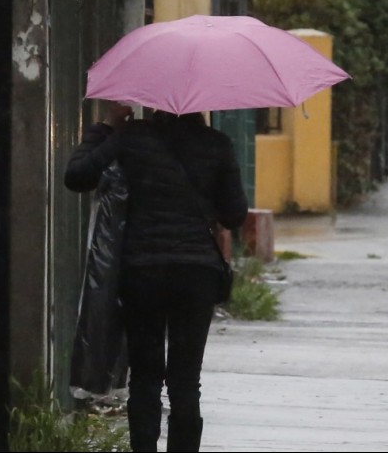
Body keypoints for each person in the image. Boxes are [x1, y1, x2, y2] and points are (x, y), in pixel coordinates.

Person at [64, 103, 249, 452]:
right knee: (185, 381)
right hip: (197, 275)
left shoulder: (131, 138)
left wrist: (106, 126)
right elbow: (235, 215)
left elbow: (77, 176)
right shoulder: (217, 144)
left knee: (146, 379)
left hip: (143, 272)